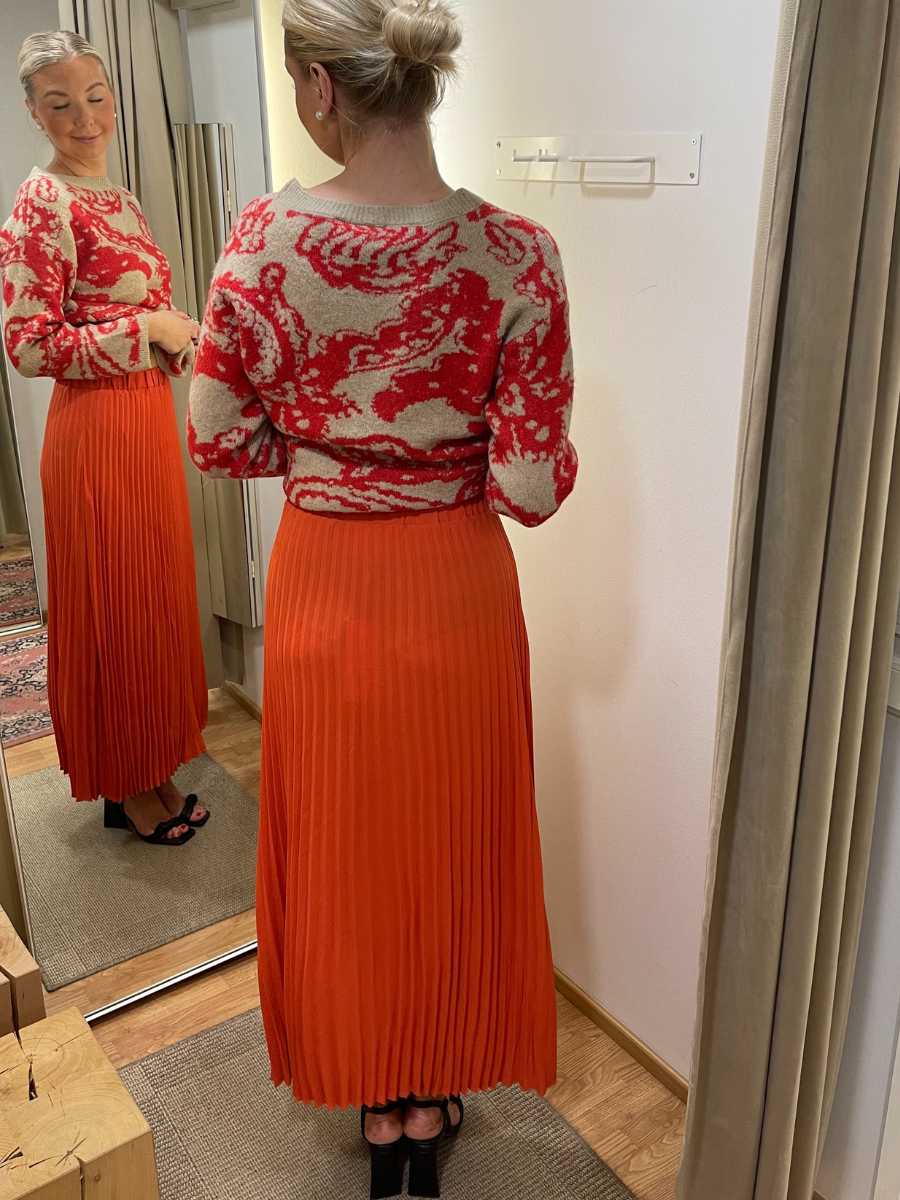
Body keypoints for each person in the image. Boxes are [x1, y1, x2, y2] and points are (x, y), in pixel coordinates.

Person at [188, 0, 577, 1193]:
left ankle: (378, 1099)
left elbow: (216, 439)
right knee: (449, 841)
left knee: (347, 846)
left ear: (320, 88)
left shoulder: (263, 241)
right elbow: (529, 487)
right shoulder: (517, 255)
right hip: (455, 589)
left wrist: (330, 459)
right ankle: (436, 1081)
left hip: (327, 582)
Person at [0, 32, 209, 845]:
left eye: (95, 97)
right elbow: (28, 346)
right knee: (114, 609)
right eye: (61, 104)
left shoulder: (117, 196)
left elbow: (130, 305)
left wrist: (171, 332)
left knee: (151, 599)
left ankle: (153, 763)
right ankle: (124, 781)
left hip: (144, 419)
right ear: (34, 112)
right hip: (94, 433)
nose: (84, 118)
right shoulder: (40, 202)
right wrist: (145, 329)